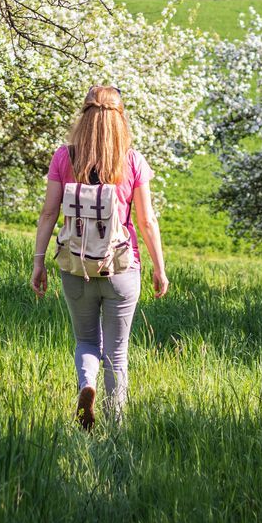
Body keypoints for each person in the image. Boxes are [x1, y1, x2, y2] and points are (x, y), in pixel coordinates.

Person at [30, 85, 169, 430]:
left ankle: (86, 384)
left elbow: (48, 214)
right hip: (121, 267)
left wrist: (38, 261)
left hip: (76, 267)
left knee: (86, 341)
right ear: (119, 120)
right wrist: (160, 269)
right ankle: (116, 427)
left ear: (84, 117)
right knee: (117, 353)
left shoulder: (64, 157)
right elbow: (146, 220)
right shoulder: (132, 160)